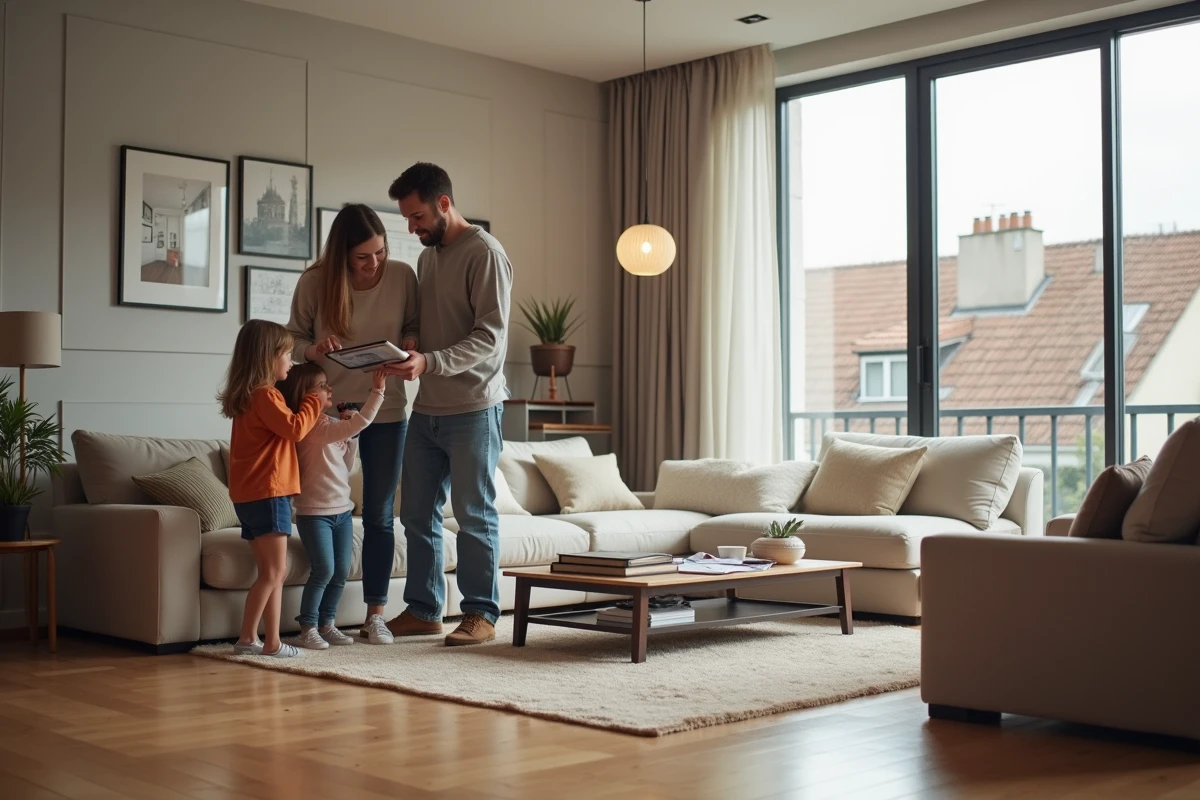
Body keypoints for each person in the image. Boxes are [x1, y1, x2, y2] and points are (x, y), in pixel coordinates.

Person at [384, 162, 512, 647]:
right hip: (428, 409)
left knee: (474, 514)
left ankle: (481, 614)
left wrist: (430, 361)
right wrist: (411, 344)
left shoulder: (485, 254)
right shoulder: (428, 257)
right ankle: (423, 609)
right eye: (407, 219)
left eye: (417, 217)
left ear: (443, 203)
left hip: (475, 408)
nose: (412, 228)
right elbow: (426, 320)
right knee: (416, 513)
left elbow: (490, 338)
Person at [287, 204, 419, 645]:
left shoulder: (402, 275)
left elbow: (414, 326)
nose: (374, 264)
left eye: (379, 252)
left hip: (385, 408)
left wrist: (410, 345)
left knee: (380, 515)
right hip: (327, 409)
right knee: (325, 503)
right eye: (362, 257)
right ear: (342, 254)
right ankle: (315, 622)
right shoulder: (314, 282)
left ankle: (375, 615)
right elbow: (293, 341)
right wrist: (314, 350)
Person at [218, 319, 322, 658]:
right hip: (269, 493)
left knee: (271, 573)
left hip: (251, 496)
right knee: (275, 572)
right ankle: (248, 639)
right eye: (287, 355)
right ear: (268, 357)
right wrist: (313, 401)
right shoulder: (265, 395)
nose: (291, 363)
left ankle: (272, 642)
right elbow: (294, 429)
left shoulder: (248, 397)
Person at [277, 362, 388, 650]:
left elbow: (346, 467)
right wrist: (377, 391)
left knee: (340, 571)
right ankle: (308, 626)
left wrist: (350, 439)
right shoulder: (312, 427)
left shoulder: (329, 425)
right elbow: (361, 422)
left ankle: (327, 624)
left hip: (341, 510)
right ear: (306, 395)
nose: (329, 389)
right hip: (315, 513)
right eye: (322, 385)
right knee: (324, 569)